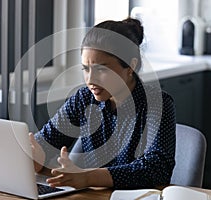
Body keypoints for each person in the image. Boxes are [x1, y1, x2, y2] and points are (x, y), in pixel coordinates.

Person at [29, 18, 176, 190]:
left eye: (102, 69)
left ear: (130, 66)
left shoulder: (158, 103)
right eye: (86, 69)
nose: (91, 80)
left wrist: (89, 177)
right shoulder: (83, 99)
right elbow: (46, 140)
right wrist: (34, 157)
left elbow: (157, 168)